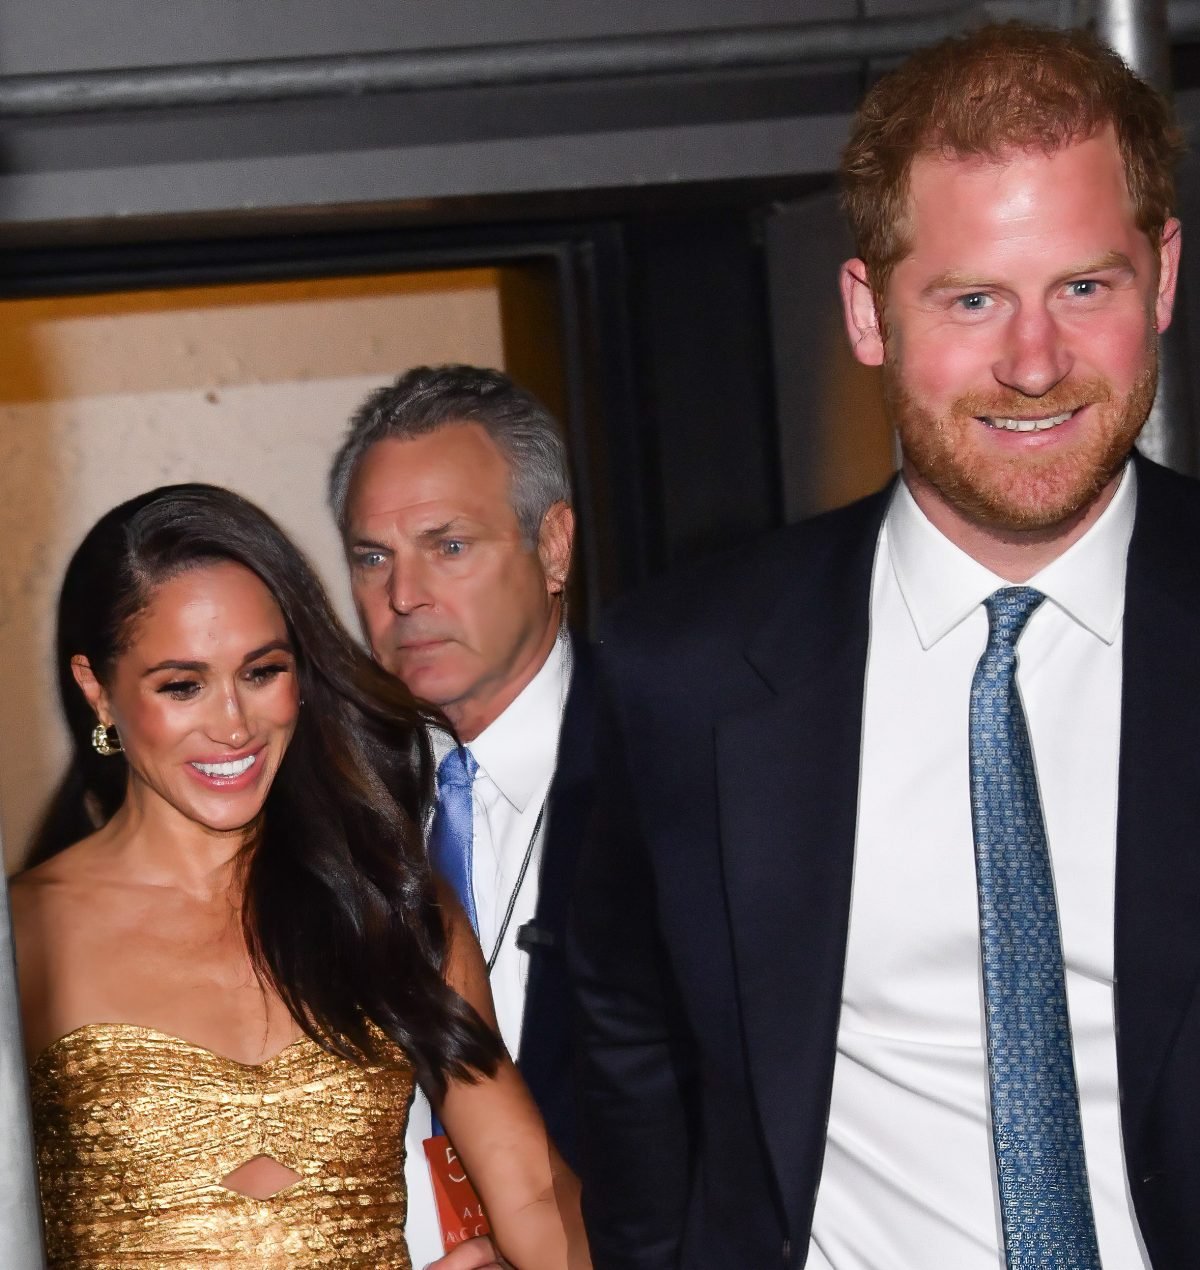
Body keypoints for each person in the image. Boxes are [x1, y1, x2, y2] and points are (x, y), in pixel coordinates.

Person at [570, 22, 1200, 1270]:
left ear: (1164, 278)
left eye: (1086, 286)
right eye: (972, 299)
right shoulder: (682, 672)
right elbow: (623, 1033)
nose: (1035, 362)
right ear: (869, 313)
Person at [10, 484, 590, 1270]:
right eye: (181, 685)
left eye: (262, 671)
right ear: (97, 689)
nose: (234, 724)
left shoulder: (387, 903)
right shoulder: (26, 935)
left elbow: (526, 1189)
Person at [330, 365, 594, 1270]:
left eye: (447, 546)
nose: (405, 598)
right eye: (373, 558)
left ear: (553, 546)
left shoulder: (672, 765)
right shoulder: (329, 805)